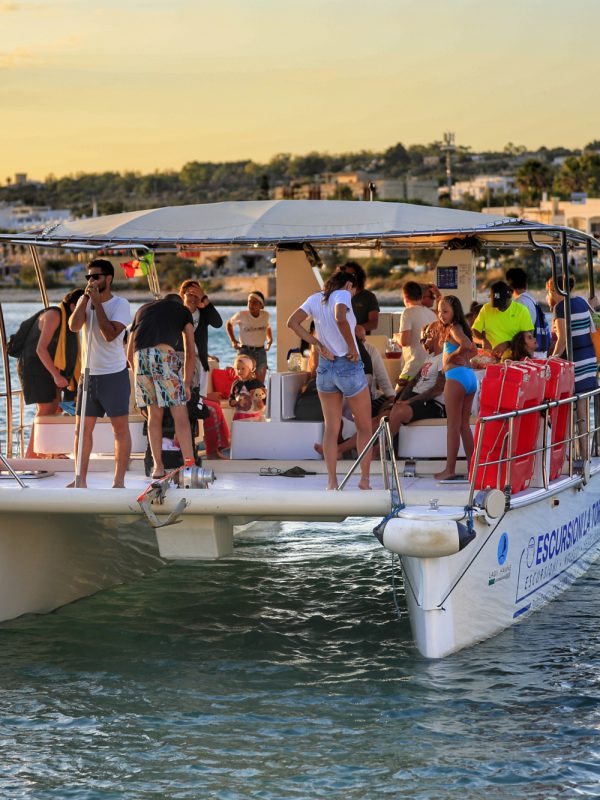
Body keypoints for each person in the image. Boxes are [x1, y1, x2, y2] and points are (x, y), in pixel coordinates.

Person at [287, 269, 373, 491]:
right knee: (364, 427)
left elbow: (292, 322)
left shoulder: (315, 298)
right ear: (348, 285)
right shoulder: (343, 294)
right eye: (354, 291)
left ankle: (332, 482)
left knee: (331, 428)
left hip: (325, 368)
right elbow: (340, 317)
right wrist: (353, 348)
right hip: (347, 364)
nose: (352, 296)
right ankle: (364, 480)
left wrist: (316, 344)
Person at [331, 321, 446, 459]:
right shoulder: (430, 358)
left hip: (432, 405)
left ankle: (379, 450)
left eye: (427, 336)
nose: (423, 340)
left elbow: (437, 389)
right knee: (380, 418)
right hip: (416, 400)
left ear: (436, 335)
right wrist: (398, 398)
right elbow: (416, 382)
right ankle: (340, 449)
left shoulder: (444, 358)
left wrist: (407, 402)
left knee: (398, 410)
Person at [68, 259, 131, 488]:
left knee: (119, 429)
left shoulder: (120, 304)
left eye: (95, 276)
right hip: (89, 375)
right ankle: (80, 480)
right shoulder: (86, 302)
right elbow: (73, 327)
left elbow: (109, 334)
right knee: (81, 430)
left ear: (108, 278)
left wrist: (98, 304)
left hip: (114, 374)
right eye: (88, 277)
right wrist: (85, 300)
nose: (91, 281)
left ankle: (118, 481)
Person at [127, 293, 196, 479]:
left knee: (153, 415)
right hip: (163, 356)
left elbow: (128, 353)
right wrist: (186, 384)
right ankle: (189, 465)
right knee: (180, 414)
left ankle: (158, 468)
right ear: (179, 303)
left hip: (139, 359)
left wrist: (139, 375)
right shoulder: (182, 311)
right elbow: (191, 351)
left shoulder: (143, 309)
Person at [17, 289, 84, 457]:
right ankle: (32, 456)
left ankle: (50, 453)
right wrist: (56, 375)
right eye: (84, 308)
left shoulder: (68, 321)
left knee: (55, 408)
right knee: (46, 409)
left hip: (49, 367)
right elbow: (40, 349)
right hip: (35, 367)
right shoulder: (54, 315)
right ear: (73, 305)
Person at [547, 276, 597, 461]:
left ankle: (565, 457)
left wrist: (551, 359)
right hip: (589, 361)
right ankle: (585, 457)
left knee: (565, 410)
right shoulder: (582, 302)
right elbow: (592, 327)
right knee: (582, 412)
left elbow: (562, 339)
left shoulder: (560, 308)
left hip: (575, 363)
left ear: (553, 290)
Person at [435, 295, 478, 481]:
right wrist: (462, 355)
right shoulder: (463, 328)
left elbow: (467, 346)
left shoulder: (453, 328)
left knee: (452, 426)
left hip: (456, 378)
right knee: (463, 426)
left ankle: (449, 469)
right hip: (469, 378)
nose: (441, 315)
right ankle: (473, 468)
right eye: (439, 311)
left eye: (445, 311)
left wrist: (452, 357)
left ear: (454, 312)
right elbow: (474, 350)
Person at [178, 280, 223, 396]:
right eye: (190, 294)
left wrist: (204, 298)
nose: (193, 297)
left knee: (199, 401)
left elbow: (218, 323)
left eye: (197, 294)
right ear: (182, 295)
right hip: (180, 364)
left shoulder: (204, 313)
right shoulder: (176, 314)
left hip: (201, 365)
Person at [471, 281, 534, 359]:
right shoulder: (486, 308)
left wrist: (508, 344)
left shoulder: (522, 310)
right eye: (496, 305)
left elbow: (529, 338)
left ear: (510, 297)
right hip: (491, 356)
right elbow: (475, 329)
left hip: (514, 357)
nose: (499, 308)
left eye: (502, 304)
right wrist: (483, 339)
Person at [396, 281, 437, 396]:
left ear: (405, 297)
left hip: (414, 366)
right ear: (421, 296)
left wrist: (397, 337)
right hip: (430, 366)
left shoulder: (407, 312)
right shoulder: (432, 314)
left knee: (395, 397)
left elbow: (405, 341)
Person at [226, 291, 272, 384]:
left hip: (261, 352)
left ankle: (259, 399)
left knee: (259, 385)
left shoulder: (265, 315)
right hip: (245, 351)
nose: (251, 304)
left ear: (261, 305)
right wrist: (233, 340)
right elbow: (229, 324)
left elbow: (268, 327)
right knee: (243, 384)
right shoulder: (241, 315)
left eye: (254, 302)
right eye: (249, 302)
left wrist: (270, 339)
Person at [505, 267, 550, 357]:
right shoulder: (531, 300)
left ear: (510, 286)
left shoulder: (519, 303)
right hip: (538, 352)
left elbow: (516, 333)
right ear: (526, 284)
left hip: (528, 354)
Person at [339, 261, 380, 333]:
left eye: (352, 275)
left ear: (359, 276)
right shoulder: (337, 296)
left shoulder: (369, 297)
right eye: (346, 275)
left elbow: (374, 323)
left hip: (362, 340)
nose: (349, 278)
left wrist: (355, 329)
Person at [228, 354, 267, 421]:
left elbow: (264, 395)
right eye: (237, 369)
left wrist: (261, 403)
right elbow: (231, 396)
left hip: (253, 416)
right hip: (239, 415)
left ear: (249, 369)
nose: (239, 371)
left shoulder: (256, 383)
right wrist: (232, 401)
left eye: (243, 368)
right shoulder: (236, 384)